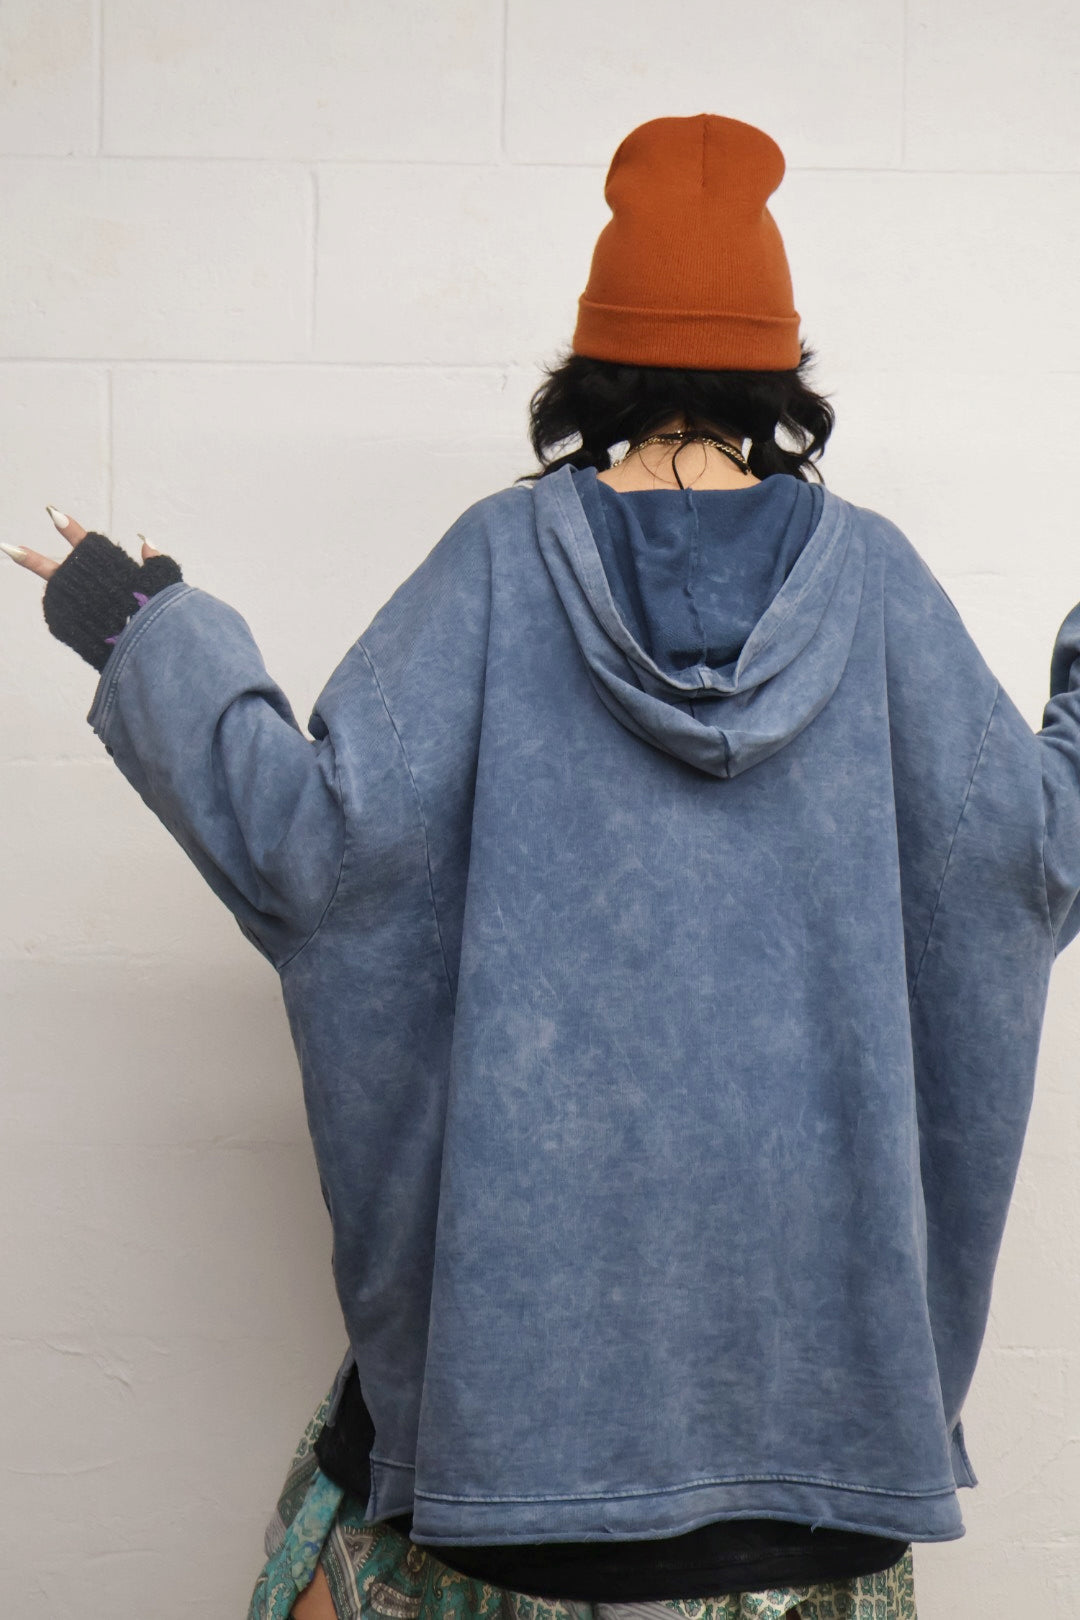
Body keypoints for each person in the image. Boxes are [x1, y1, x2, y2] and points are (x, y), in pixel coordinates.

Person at [8, 112, 1079, 1620]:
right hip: (813, 1467)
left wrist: (145, 629)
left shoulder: (499, 566)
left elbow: (313, 857)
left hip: (512, 1455)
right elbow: (1026, 861)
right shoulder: (881, 585)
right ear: (780, 373)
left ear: (594, 365)